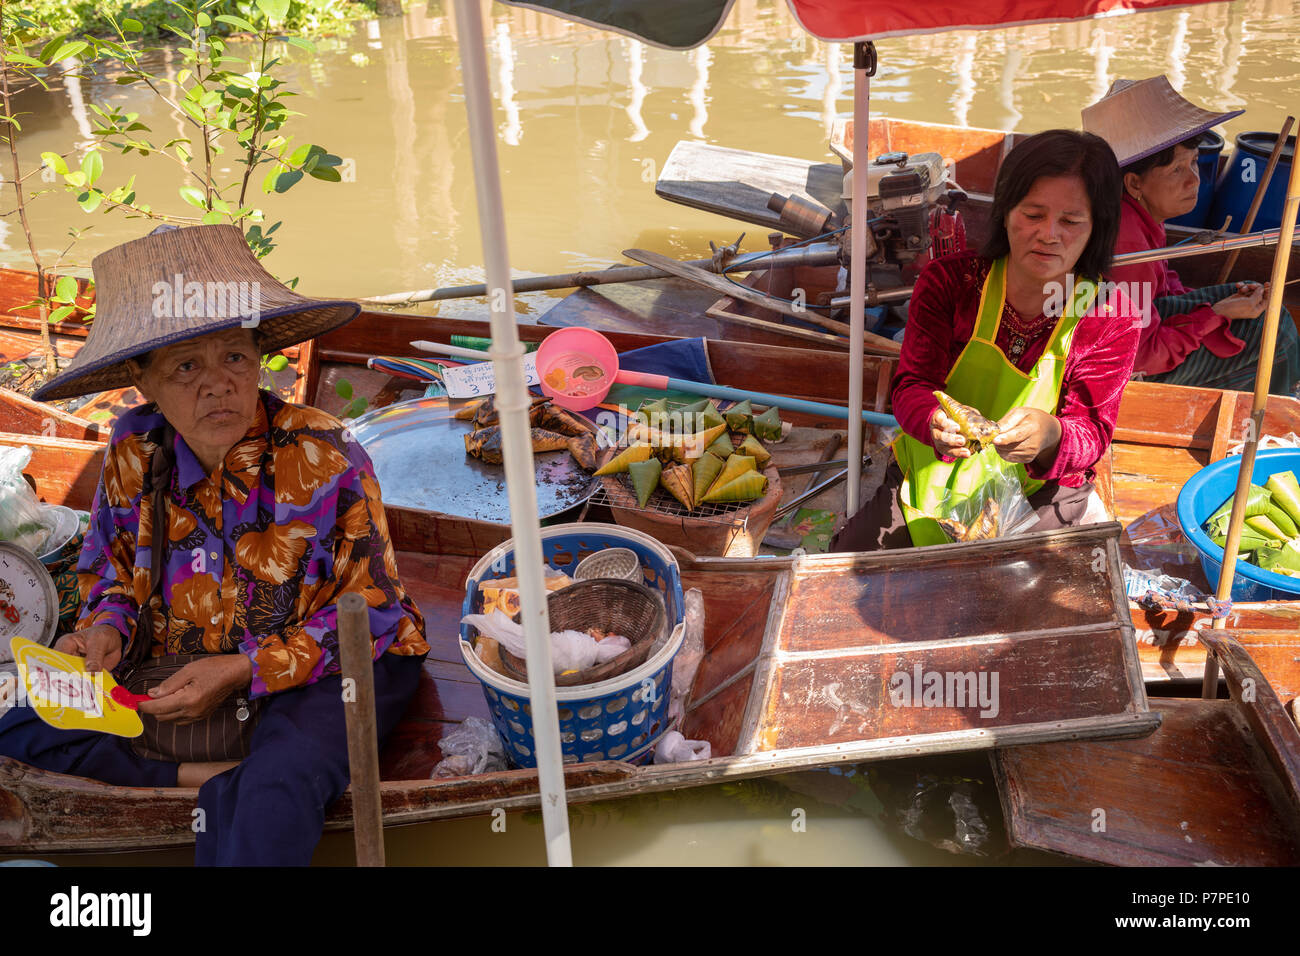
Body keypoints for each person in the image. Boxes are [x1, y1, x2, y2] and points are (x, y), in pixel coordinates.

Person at [0, 224, 430, 865]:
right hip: (180, 663)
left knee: (276, 789)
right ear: (142, 381)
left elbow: (372, 611)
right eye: (185, 367)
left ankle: (245, 776)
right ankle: (211, 776)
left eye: (235, 356)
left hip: (319, 670)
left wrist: (243, 669)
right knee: (19, 721)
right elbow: (109, 574)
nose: (218, 384)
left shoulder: (323, 452)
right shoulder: (132, 448)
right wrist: (104, 631)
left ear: (261, 359)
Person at [833, 129, 1142, 551]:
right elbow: (912, 387)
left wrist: (1050, 435)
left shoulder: (1109, 313)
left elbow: (1092, 431)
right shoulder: (951, 283)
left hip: (1039, 491)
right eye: (1033, 214)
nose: (1049, 234)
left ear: (1097, 228)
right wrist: (933, 422)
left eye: (1071, 221)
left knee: (1011, 597)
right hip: (934, 469)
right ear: (1006, 212)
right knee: (851, 567)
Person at [1083, 75, 1300, 394]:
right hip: (1121, 371)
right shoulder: (1125, 238)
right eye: (1176, 170)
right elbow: (1141, 357)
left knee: (1265, 311)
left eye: (1194, 163)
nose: (1194, 180)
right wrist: (1216, 313)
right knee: (1274, 336)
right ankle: (1258, 421)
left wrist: (1223, 304)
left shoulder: (1140, 211)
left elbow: (1161, 290)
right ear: (1134, 184)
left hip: (1144, 328)